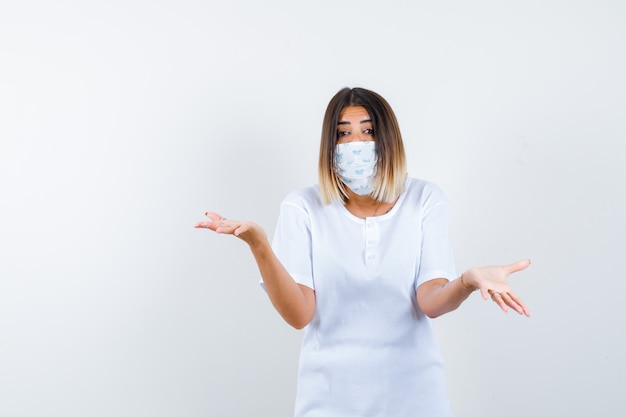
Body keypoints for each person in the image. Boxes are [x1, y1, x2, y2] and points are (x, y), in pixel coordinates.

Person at [195, 87, 530, 417]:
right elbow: (299, 315)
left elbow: (430, 300)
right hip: (328, 398)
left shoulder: (425, 200)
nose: (356, 144)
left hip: (415, 397)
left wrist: (467, 281)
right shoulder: (303, 207)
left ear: (388, 140)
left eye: (368, 131)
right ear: (331, 145)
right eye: (343, 134)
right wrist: (260, 246)